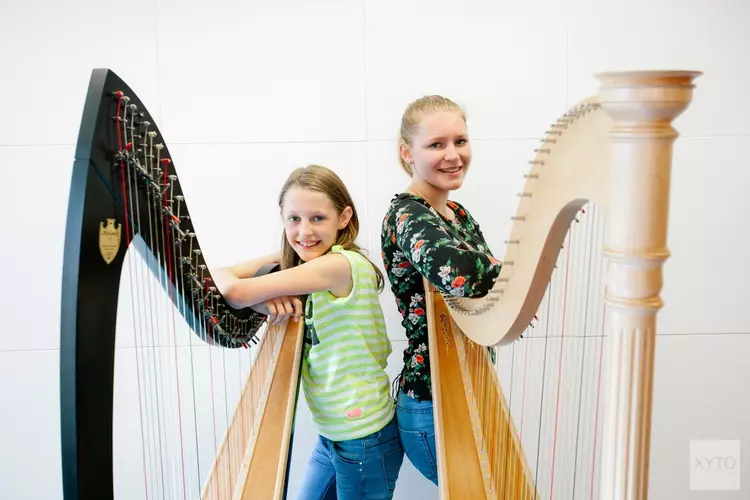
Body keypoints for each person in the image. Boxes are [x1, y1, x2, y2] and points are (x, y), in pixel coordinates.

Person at [213, 165, 403, 499]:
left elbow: (236, 291)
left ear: (344, 217)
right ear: (282, 217)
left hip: (363, 437)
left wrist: (256, 299)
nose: (304, 231)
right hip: (335, 433)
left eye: (318, 218)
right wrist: (265, 302)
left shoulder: (338, 265)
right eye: (294, 219)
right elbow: (217, 275)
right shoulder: (304, 260)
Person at [380, 96, 502, 485]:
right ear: (407, 152)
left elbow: (488, 289)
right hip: (430, 401)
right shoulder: (406, 214)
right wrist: (513, 271)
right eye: (436, 145)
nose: (453, 155)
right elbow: (462, 274)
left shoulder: (459, 215)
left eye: (460, 141)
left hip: (470, 387)